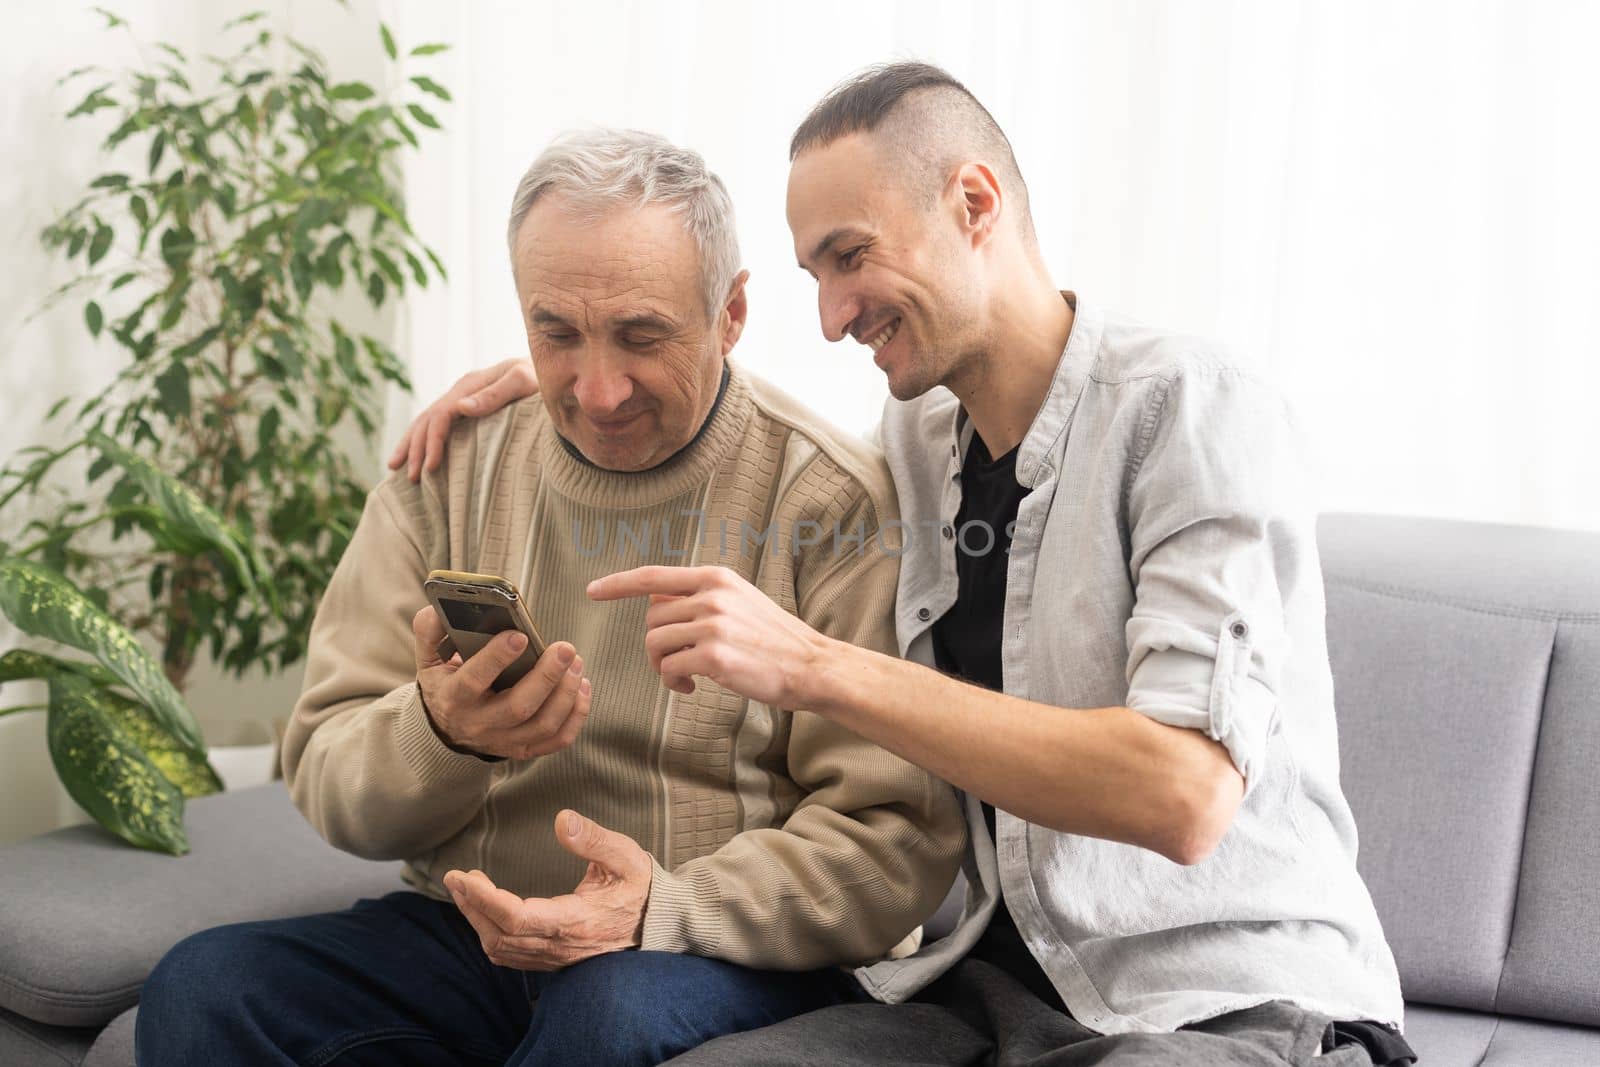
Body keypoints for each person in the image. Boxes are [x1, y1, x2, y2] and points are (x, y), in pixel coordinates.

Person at [394, 64, 1416, 1066]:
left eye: (850, 257)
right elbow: (742, 429)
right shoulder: (918, 436)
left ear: (974, 201)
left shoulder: (1192, 407)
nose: (834, 315)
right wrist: (554, 386)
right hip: (985, 986)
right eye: (815, 278)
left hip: (1222, 995)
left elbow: (1183, 795)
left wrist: (814, 665)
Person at [133, 128, 965, 1067]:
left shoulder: (830, 501)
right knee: (205, 989)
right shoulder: (447, 469)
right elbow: (327, 776)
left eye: (642, 336)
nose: (598, 390)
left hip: (707, 943)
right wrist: (439, 735)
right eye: (556, 334)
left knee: (604, 1018)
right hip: (471, 930)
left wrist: (661, 906)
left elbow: (895, 843)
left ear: (731, 312)